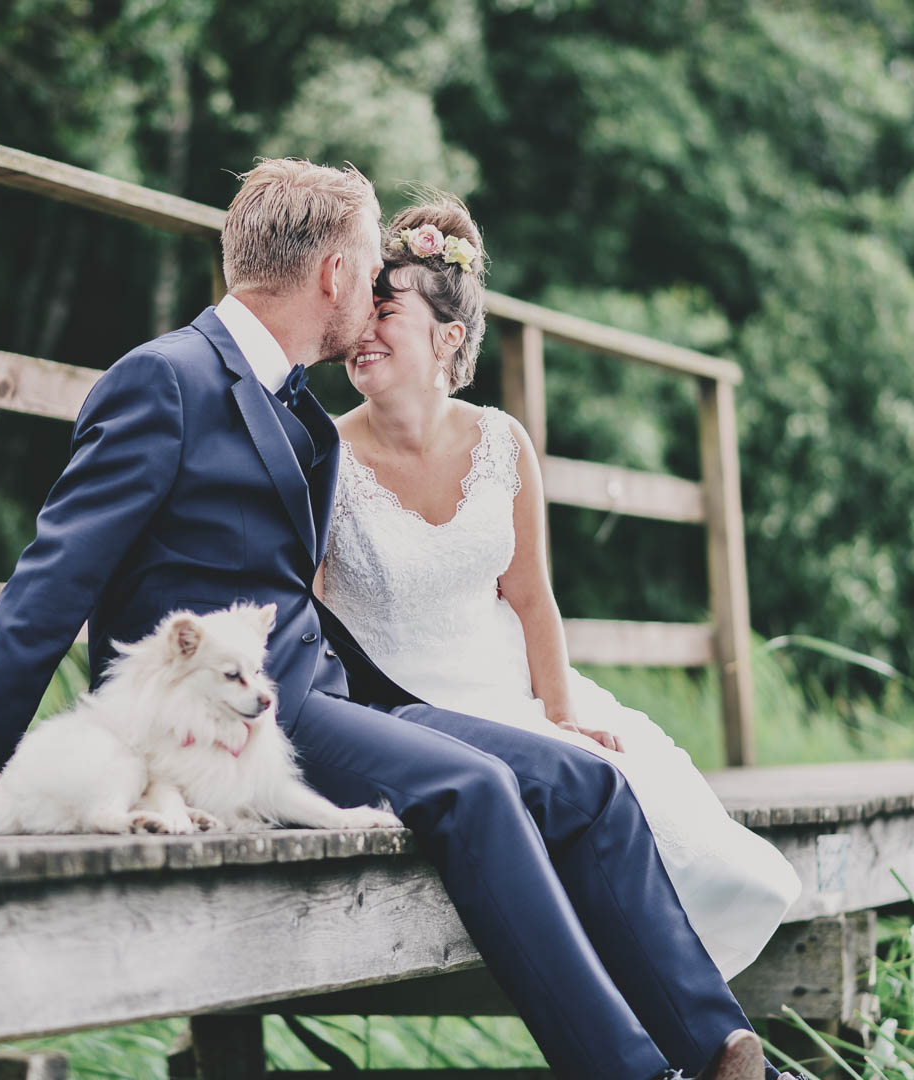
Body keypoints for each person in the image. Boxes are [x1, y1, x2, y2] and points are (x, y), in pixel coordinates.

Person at [0, 159, 775, 1080]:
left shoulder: (301, 410)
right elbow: (56, 572)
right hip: (231, 718)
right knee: (477, 788)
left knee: (586, 784)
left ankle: (721, 1053)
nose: (372, 299)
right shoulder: (165, 380)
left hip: (335, 693)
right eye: (369, 272)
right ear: (332, 273)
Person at [318, 196, 802, 984]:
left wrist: (559, 709)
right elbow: (305, 619)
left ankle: (678, 1001)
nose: (361, 330)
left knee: (671, 825)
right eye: (360, 311)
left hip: (510, 688)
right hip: (400, 708)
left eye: (386, 313)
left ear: (447, 338)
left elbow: (530, 597)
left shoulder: (500, 441)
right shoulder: (324, 457)